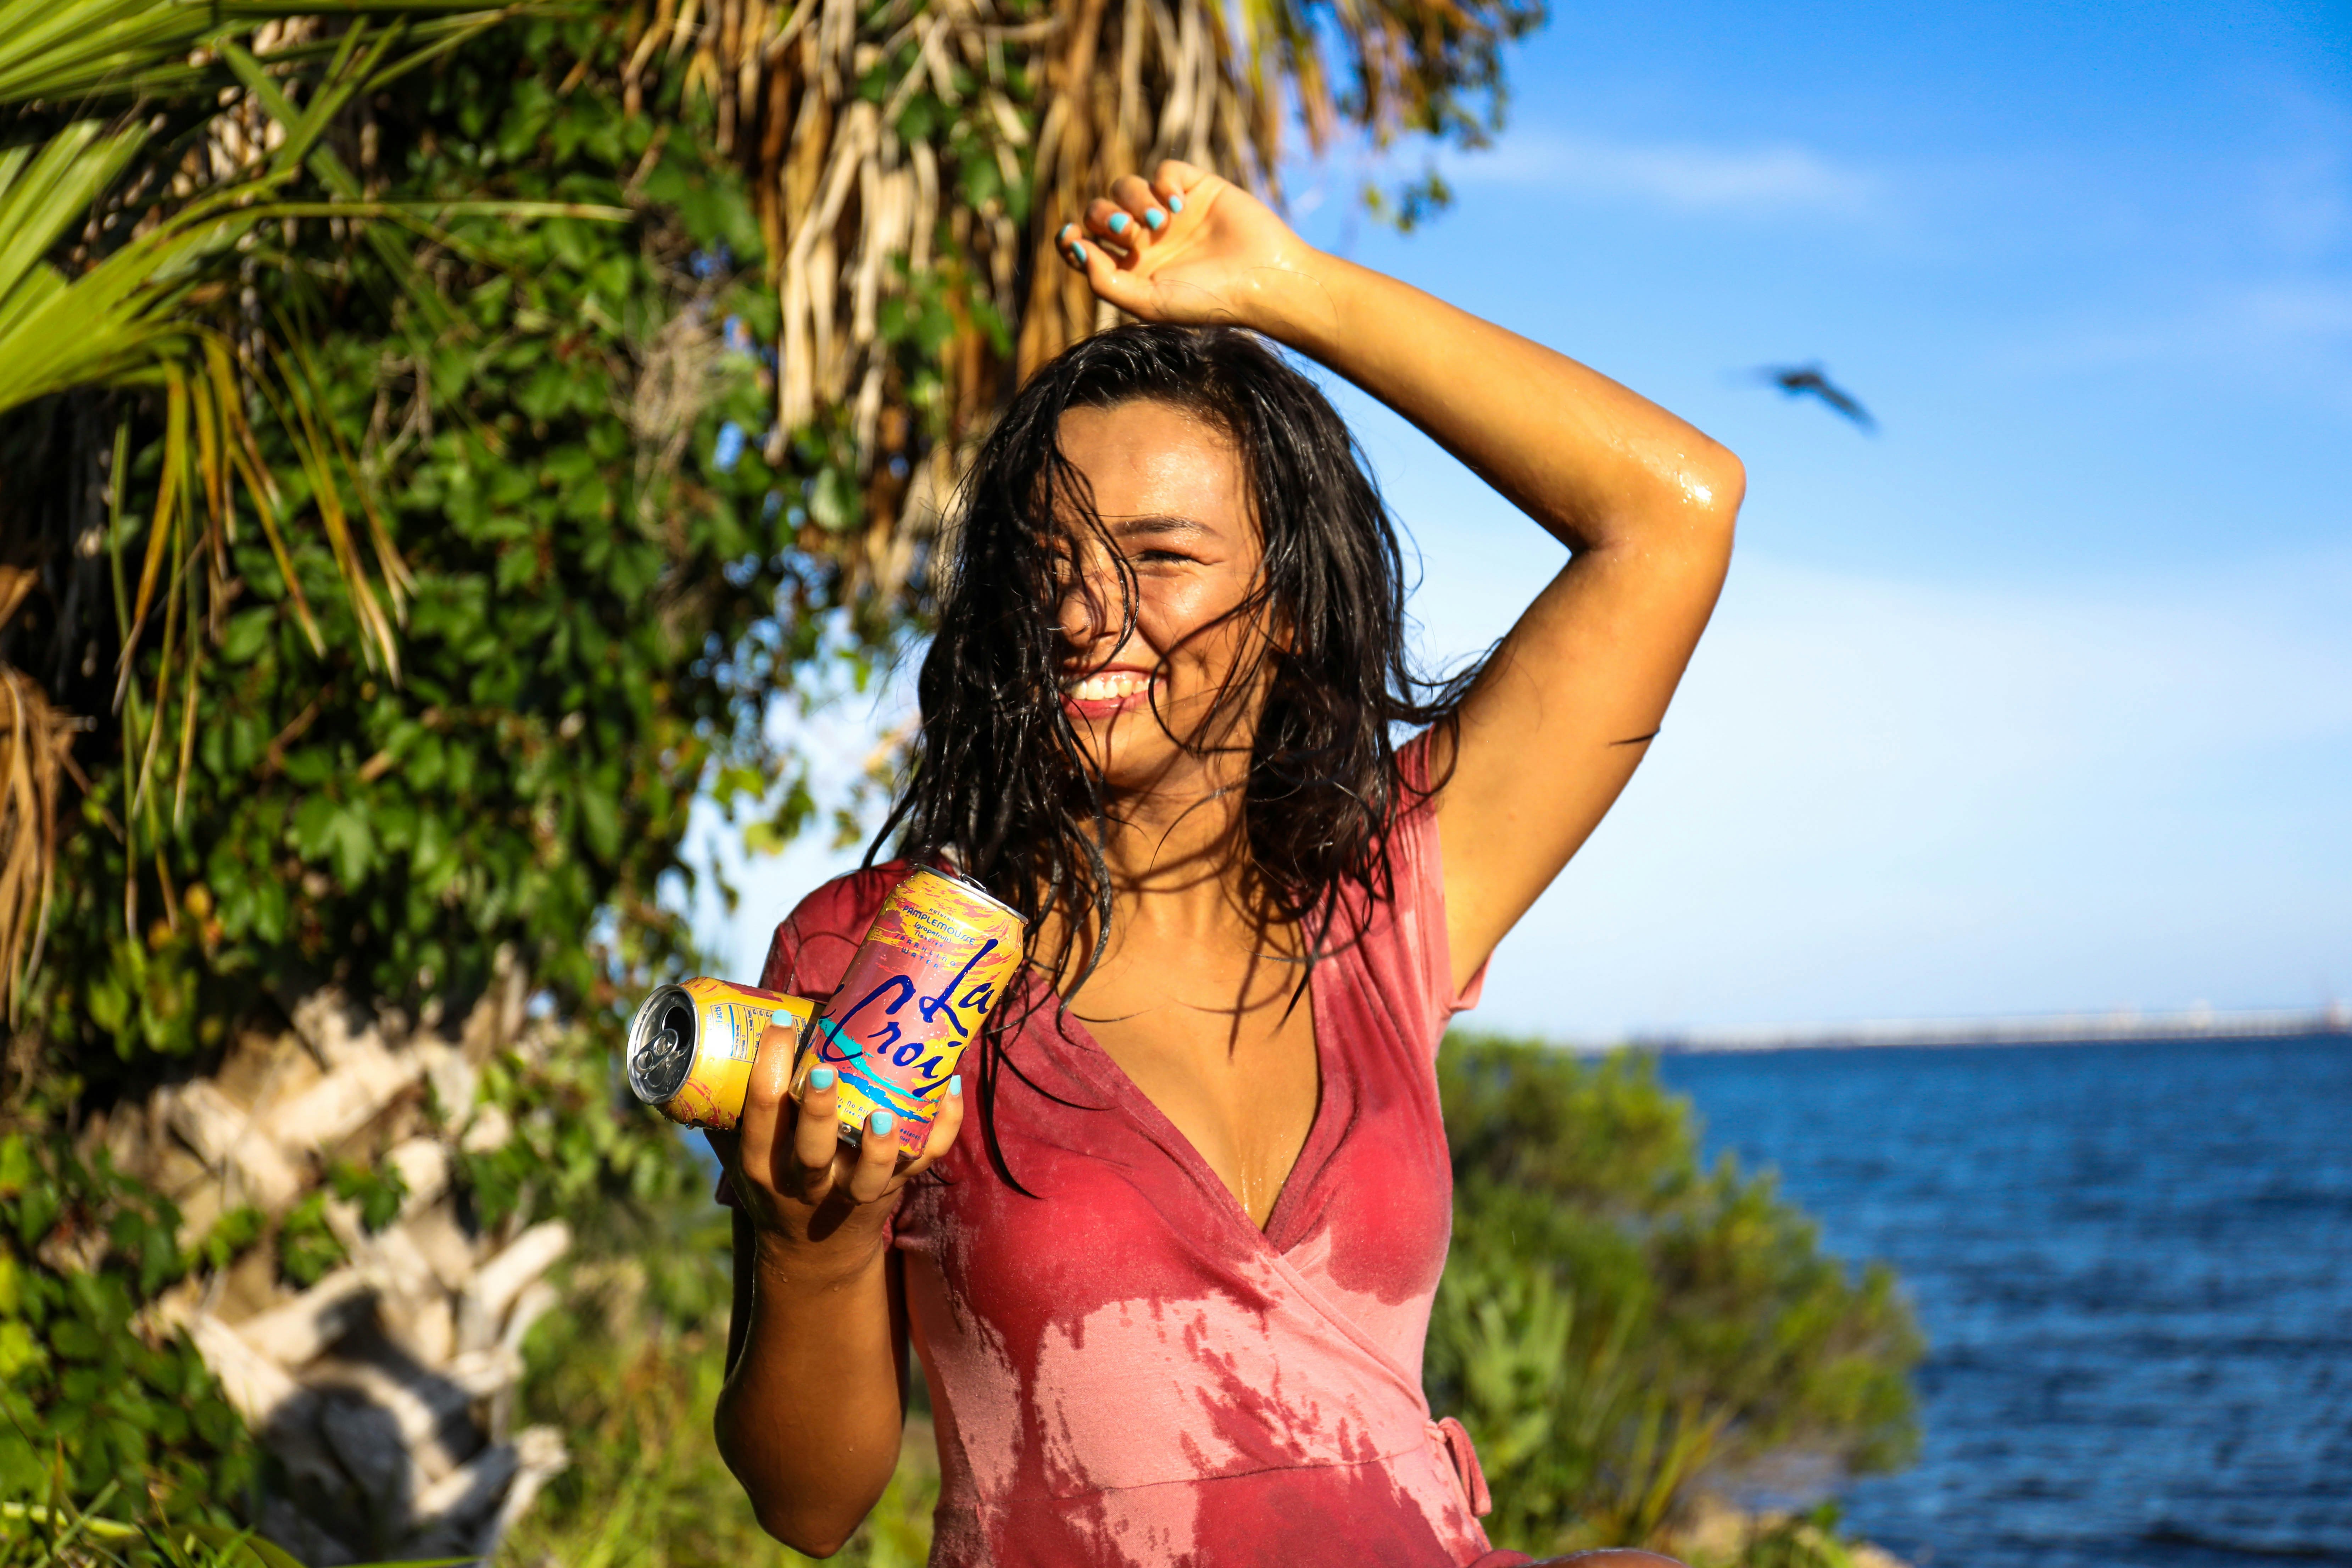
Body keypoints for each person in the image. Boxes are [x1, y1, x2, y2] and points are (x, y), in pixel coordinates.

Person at [708, 158, 1743, 1567]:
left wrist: (1288, 292)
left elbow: (1674, 509)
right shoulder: (892, 955)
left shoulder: (1388, 898)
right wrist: (811, 1246)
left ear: (1294, 605)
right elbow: (809, 1504)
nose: (1087, 611)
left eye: (1161, 553)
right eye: (1047, 558)